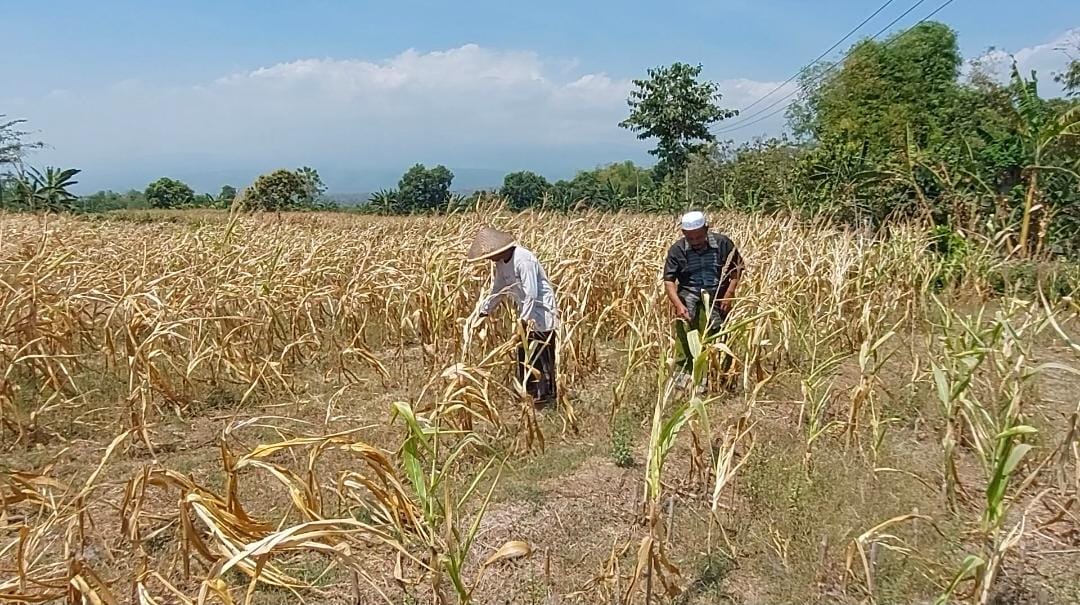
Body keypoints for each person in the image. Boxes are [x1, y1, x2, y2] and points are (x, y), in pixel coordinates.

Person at [467, 225, 560, 408]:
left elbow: (532, 293)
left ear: (499, 250)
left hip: (541, 314)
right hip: (525, 317)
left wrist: (524, 321)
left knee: (543, 357)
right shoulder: (502, 264)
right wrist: (484, 311)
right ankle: (530, 394)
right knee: (524, 355)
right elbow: (499, 289)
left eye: (490, 255)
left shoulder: (523, 259)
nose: (489, 259)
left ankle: (548, 399)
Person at [662, 211, 744, 374]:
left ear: (706, 229)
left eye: (699, 237)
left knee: (719, 335)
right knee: (686, 339)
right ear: (684, 233)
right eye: (690, 238)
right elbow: (669, 281)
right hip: (688, 297)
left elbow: (737, 269)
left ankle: (720, 375)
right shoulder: (677, 250)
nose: (695, 242)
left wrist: (729, 294)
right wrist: (678, 305)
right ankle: (686, 378)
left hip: (717, 297)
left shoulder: (723, 244)